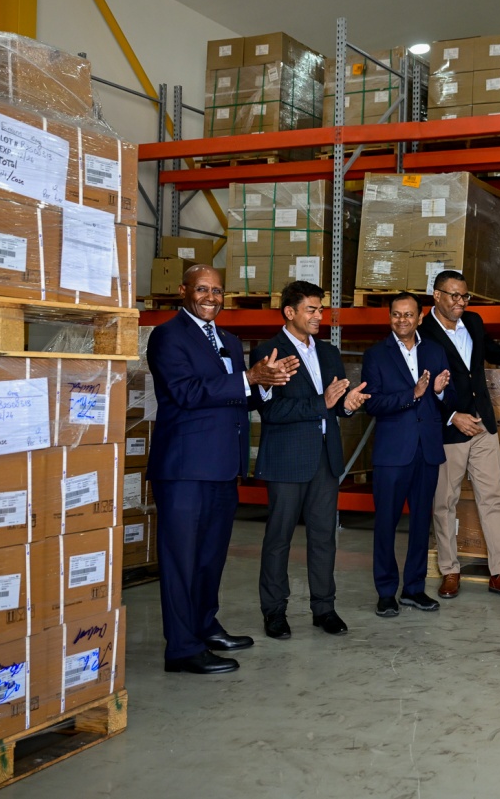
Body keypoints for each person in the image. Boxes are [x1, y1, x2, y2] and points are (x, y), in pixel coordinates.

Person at [147, 264, 300, 675]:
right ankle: (182, 649)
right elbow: (185, 392)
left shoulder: (229, 340)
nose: (210, 297)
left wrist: (266, 383)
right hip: (184, 468)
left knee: (210, 557)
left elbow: (239, 397)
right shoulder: (167, 336)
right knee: (181, 560)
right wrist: (249, 377)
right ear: (183, 291)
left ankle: (204, 626)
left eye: (217, 291)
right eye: (202, 289)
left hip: (222, 465)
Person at [419, 270, 500, 601]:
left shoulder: (474, 322)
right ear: (436, 296)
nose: (461, 302)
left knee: (493, 499)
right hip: (449, 430)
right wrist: (452, 416)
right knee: (444, 503)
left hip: (482, 425)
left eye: (465, 296)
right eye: (454, 295)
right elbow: (419, 385)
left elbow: (497, 353)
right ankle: (450, 571)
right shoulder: (422, 333)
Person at [251, 281, 370, 641]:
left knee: (323, 537)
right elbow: (271, 411)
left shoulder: (329, 353)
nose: (320, 316)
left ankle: (324, 609)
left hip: (324, 458)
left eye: (321, 309)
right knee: (279, 538)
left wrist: (347, 406)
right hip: (287, 459)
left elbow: (336, 404)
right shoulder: (269, 351)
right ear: (290, 312)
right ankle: (275, 612)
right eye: (312, 309)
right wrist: (324, 402)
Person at [361, 292, 455, 617]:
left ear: (420, 317)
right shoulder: (376, 355)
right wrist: (412, 395)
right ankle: (386, 592)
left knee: (420, 523)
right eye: (396, 314)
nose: (402, 320)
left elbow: (450, 397)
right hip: (392, 454)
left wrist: (439, 392)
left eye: (408, 314)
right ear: (390, 317)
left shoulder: (435, 351)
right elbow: (372, 403)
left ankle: (414, 589)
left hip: (427, 451)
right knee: (386, 523)